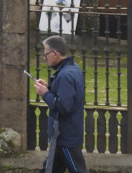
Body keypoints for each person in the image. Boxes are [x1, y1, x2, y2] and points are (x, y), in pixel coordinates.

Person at [34, 35, 90, 173]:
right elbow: (67, 95)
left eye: (46, 54)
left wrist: (45, 94)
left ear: (55, 54)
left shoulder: (65, 75)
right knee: (49, 169)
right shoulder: (73, 68)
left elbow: (64, 106)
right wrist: (49, 88)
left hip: (65, 136)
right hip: (62, 137)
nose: (44, 57)